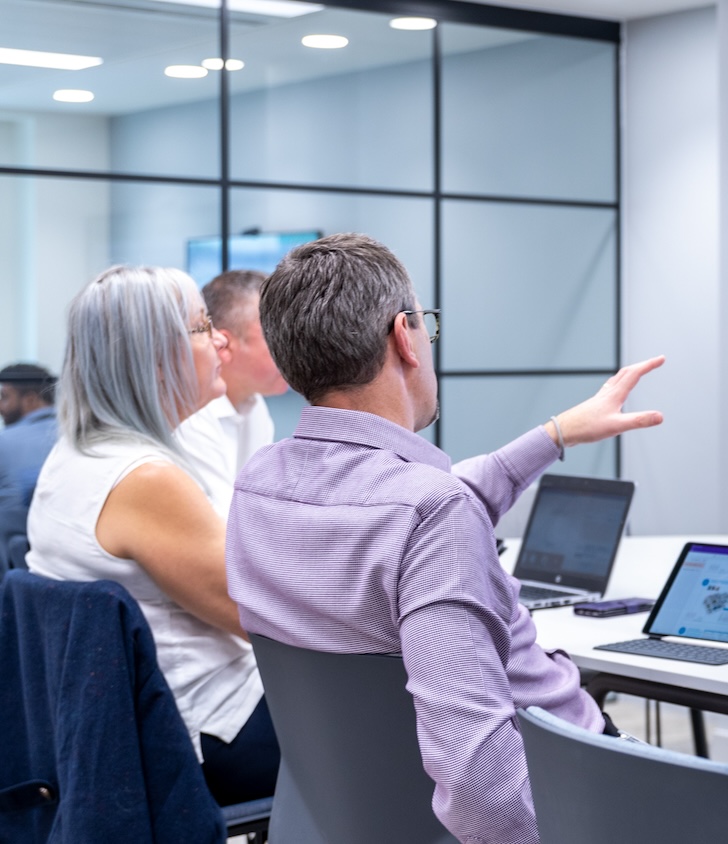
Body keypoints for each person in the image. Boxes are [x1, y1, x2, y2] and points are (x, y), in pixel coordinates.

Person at [224, 233, 664, 844]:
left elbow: (423, 504)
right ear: (404, 336)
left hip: (348, 818)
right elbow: (481, 787)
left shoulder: (260, 484)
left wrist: (556, 433)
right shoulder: (431, 511)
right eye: (427, 327)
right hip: (565, 787)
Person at [25, 266, 280, 806]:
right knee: (398, 728)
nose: (217, 341)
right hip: (209, 730)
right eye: (201, 326)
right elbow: (258, 616)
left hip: (132, 723)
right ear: (154, 356)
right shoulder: (146, 479)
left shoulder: (76, 456)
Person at [176, 269, 290, 514]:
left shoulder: (253, 404)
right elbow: (226, 521)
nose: (292, 347)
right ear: (225, 345)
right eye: (277, 335)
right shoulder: (190, 416)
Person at [0, 363, 59, 564]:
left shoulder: (4, 442)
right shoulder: (80, 436)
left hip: (12, 573)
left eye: (5, 397)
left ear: (31, 399)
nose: (0, 406)